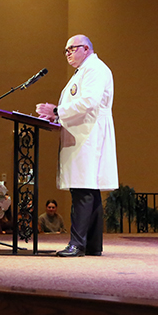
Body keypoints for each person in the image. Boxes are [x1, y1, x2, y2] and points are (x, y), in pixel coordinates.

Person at [35, 34, 118, 257]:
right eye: (66, 50)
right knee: (88, 189)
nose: (68, 53)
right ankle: (91, 245)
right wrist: (58, 117)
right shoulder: (84, 71)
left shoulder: (95, 69)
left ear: (87, 49)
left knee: (83, 189)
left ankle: (77, 244)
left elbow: (89, 101)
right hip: (81, 133)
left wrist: (56, 111)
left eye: (72, 48)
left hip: (88, 135)